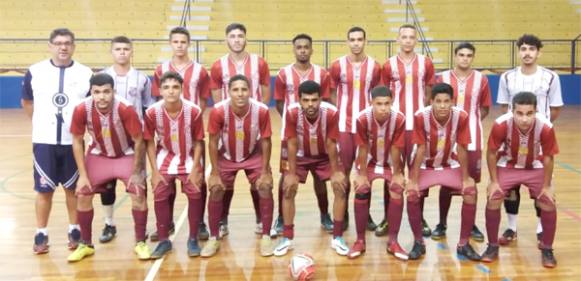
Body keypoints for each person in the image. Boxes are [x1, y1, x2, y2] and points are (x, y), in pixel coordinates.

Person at [22, 28, 93, 255]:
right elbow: (27, 102)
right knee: (44, 190)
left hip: (73, 141)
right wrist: (42, 124)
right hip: (44, 141)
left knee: (74, 189)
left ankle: (74, 230)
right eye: (59, 43)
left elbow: (90, 106)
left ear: (74, 46)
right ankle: (41, 232)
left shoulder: (85, 73)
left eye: (68, 43)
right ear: (50, 45)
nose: (63, 47)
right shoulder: (35, 71)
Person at [67, 73, 150, 262]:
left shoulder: (125, 108)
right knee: (83, 193)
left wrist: (137, 172)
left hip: (126, 154)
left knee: (138, 194)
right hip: (99, 155)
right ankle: (86, 244)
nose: (102, 96)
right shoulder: (81, 109)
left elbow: (139, 141)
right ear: (91, 92)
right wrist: (82, 175)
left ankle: (140, 242)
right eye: (97, 92)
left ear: (114, 91)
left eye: (106, 91)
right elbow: (77, 141)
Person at [496, 34, 563, 246]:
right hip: (512, 142)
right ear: (518, 52)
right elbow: (504, 106)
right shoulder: (507, 77)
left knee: (541, 187)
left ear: (538, 52)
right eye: (523, 49)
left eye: (531, 49)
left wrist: (539, 128)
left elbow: (555, 109)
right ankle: (511, 227)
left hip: (538, 143)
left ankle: (541, 228)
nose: (527, 53)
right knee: (511, 189)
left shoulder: (551, 77)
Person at [481, 91, 559, 268]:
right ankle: (492, 246)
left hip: (535, 166)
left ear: (536, 111)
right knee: (493, 198)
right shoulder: (501, 124)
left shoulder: (545, 126)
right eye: (520, 113)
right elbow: (491, 153)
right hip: (508, 165)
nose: (524, 119)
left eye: (529, 113)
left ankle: (547, 249)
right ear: (512, 110)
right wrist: (493, 182)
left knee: (548, 202)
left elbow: (548, 157)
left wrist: (547, 186)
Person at [149, 27, 211, 242]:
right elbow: (158, 97)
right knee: (168, 178)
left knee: (197, 178)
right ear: (170, 43)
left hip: (191, 127)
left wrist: (193, 118)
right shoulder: (160, 69)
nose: (179, 45)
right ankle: (168, 223)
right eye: (175, 41)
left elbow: (203, 99)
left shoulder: (200, 71)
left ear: (188, 43)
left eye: (183, 42)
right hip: (169, 129)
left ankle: (200, 222)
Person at [273, 80, 348, 257]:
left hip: (324, 154)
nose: (310, 104)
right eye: (306, 100)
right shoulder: (291, 112)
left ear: (321, 99)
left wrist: (336, 172)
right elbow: (291, 143)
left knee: (340, 187)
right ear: (299, 100)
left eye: (314, 100)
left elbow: (331, 143)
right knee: (288, 188)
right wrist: (290, 174)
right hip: (298, 154)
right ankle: (287, 238)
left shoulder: (331, 112)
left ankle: (337, 237)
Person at [406, 83, 480, 261]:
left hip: (448, 163)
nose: (442, 105)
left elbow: (462, 148)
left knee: (471, 192)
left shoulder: (461, 116)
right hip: (424, 164)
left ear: (452, 102)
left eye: (446, 101)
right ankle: (418, 242)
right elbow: (421, 148)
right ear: (431, 101)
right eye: (438, 101)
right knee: (412, 194)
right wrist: (413, 181)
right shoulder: (420, 117)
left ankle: (463, 244)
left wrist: (466, 178)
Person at [203, 74, 274, 258]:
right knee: (217, 188)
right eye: (236, 90)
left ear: (250, 91)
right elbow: (212, 142)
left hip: (253, 153)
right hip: (226, 154)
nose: (240, 94)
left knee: (265, 186)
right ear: (228, 92)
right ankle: (214, 236)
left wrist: (266, 171)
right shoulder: (218, 111)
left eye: (244, 89)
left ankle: (265, 233)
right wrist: (215, 173)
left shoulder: (261, 110)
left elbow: (266, 141)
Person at [210, 23, 270, 236]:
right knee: (226, 180)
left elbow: (264, 93)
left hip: (252, 127)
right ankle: (222, 220)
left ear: (246, 39)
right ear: (227, 39)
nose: (236, 40)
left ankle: (260, 219)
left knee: (259, 181)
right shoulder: (218, 66)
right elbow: (217, 96)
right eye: (232, 36)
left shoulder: (259, 63)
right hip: (228, 131)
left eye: (240, 36)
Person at [272, 34, 332, 236]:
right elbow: (279, 103)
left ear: (311, 49)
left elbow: (326, 100)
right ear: (294, 49)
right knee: (286, 176)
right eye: (299, 47)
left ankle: (325, 215)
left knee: (320, 176)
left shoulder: (322, 74)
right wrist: (294, 122)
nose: (303, 50)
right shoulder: (283, 74)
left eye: (306, 47)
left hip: (317, 134)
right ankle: (281, 217)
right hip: (290, 134)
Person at [98, 35, 155, 243]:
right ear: (111, 52)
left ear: (132, 52)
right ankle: (109, 223)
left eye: (126, 49)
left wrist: (148, 135)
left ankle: (142, 226)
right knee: (107, 183)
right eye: (118, 49)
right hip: (108, 139)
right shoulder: (102, 76)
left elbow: (148, 107)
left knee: (139, 182)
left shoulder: (142, 78)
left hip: (134, 140)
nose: (122, 52)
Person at [431, 42, 490, 242]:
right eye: (461, 55)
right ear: (455, 56)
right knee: (446, 183)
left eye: (469, 55)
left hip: (473, 139)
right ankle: (442, 223)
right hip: (448, 139)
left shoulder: (481, 79)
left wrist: (468, 125)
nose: (465, 58)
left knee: (471, 183)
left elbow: (484, 109)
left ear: (473, 58)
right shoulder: (443, 77)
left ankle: (471, 223)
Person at [143, 71, 205, 259]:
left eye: (175, 87)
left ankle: (192, 238)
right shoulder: (152, 112)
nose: (171, 91)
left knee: (195, 191)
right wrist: (154, 170)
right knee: (160, 192)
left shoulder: (193, 111)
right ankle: (164, 240)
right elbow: (149, 142)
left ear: (181, 89)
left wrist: (196, 169)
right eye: (166, 87)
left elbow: (199, 141)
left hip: (189, 157)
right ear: (160, 90)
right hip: (165, 156)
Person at [382, 24, 435, 237]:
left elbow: (430, 90)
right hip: (395, 127)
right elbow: (383, 95)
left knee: (417, 174)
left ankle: (419, 216)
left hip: (418, 128)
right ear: (397, 39)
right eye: (404, 37)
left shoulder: (426, 63)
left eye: (411, 37)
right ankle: (387, 218)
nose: (407, 40)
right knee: (391, 174)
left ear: (416, 40)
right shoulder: (387, 66)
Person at [329, 26, 382, 233]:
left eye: (360, 39)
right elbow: (332, 93)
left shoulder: (375, 67)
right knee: (343, 172)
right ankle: (343, 214)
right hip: (343, 127)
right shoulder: (337, 65)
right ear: (347, 42)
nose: (356, 43)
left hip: (366, 128)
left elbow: (378, 95)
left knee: (365, 172)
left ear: (365, 41)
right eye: (352, 39)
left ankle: (364, 212)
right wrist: (341, 113)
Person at [346, 86, 407, 260]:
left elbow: (397, 148)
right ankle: (359, 240)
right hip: (369, 162)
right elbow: (363, 147)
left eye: (387, 103)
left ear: (392, 102)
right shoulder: (362, 118)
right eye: (379, 104)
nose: (383, 108)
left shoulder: (399, 119)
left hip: (390, 163)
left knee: (396, 189)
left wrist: (397, 173)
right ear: (371, 103)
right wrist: (362, 175)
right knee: (362, 189)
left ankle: (393, 242)